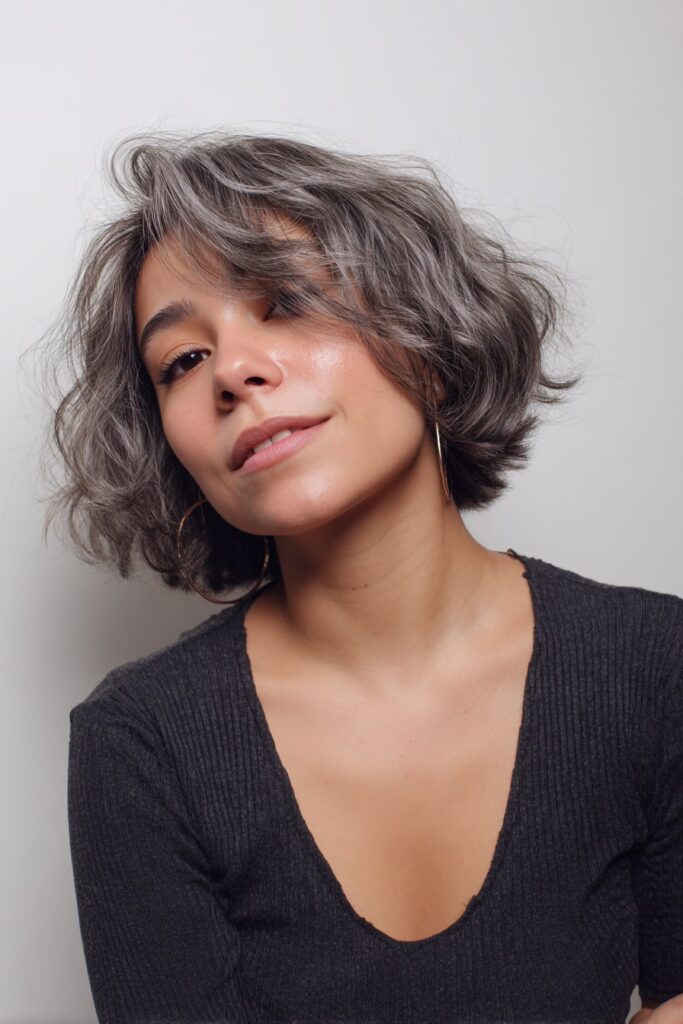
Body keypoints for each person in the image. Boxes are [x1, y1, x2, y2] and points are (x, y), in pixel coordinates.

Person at [39, 130, 681, 1023]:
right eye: (182, 361)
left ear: (426, 328)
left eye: (286, 301)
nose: (233, 371)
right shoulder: (141, 745)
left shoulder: (654, 666)